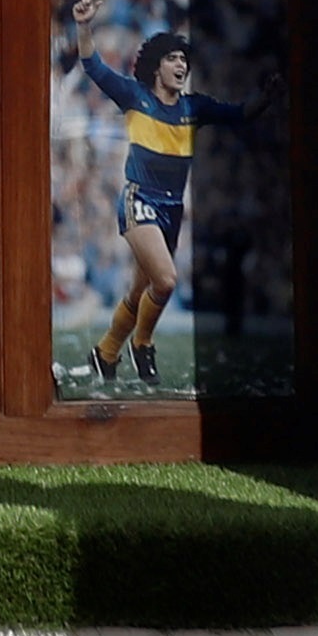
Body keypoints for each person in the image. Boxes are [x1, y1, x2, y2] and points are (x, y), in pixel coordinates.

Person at [59, 22, 268, 395]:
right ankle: (142, 343)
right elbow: (92, 65)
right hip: (139, 200)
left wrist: (268, 95)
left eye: (184, 58)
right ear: (156, 66)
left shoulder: (194, 106)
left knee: (141, 291)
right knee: (167, 281)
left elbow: (240, 114)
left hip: (171, 210)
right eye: (172, 57)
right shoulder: (134, 96)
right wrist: (83, 25)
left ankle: (106, 352)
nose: (180, 64)